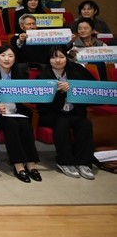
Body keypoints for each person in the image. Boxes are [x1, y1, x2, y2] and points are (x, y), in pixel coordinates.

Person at [37, 46, 96, 180]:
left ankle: (83, 163)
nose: (57, 60)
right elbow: (43, 104)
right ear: (49, 60)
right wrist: (59, 92)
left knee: (85, 123)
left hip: (74, 111)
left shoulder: (77, 69)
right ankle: (65, 161)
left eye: (61, 57)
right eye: (53, 57)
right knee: (62, 122)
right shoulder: (43, 76)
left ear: (66, 58)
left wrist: (73, 88)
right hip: (52, 113)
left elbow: (92, 86)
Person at [0, 46, 42, 183]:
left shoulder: (21, 76)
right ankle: (18, 166)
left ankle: (31, 164)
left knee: (25, 124)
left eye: (10, 56)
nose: (7, 59)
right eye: (3, 55)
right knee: (11, 124)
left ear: (14, 59)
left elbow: (27, 97)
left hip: (16, 113)